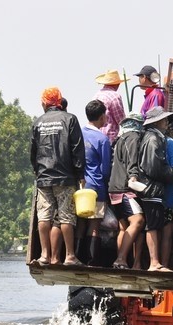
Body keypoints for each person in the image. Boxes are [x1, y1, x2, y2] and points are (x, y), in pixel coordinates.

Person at [31, 87, 86, 266]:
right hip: (65, 177)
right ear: (59, 101)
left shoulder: (38, 122)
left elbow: (33, 151)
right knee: (66, 216)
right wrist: (80, 174)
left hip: (44, 177)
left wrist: (37, 172)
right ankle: (69, 256)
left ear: (45, 102)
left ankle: (44, 256)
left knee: (44, 216)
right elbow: (77, 149)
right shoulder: (70, 119)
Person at [136, 107, 173, 271]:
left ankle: (155, 262)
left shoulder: (153, 137)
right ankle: (154, 263)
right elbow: (153, 167)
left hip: (151, 188)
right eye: (164, 119)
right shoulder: (153, 138)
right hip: (152, 189)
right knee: (152, 226)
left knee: (154, 225)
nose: (167, 122)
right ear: (157, 121)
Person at [108, 112, 146, 269]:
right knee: (138, 221)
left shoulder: (119, 139)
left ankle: (126, 262)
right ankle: (121, 259)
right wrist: (134, 176)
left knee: (124, 227)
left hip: (114, 188)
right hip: (125, 188)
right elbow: (132, 159)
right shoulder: (132, 137)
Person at [76, 99, 112, 266]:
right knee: (95, 225)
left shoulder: (77, 134)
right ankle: (91, 261)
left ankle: (76, 256)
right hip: (97, 187)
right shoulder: (102, 139)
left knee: (81, 222)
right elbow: (105, 169)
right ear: (101, 117)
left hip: (80, 187)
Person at [161, 118, 173, 269]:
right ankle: (165, 264)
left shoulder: (157, 141)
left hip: (155, 194)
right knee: (168, 232)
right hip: (170, 194)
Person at [93, 70, 129, 144]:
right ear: (117, 84)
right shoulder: (115, 96)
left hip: (96, 136)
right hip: (111, 138)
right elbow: (121, 120)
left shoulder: (97, 95)